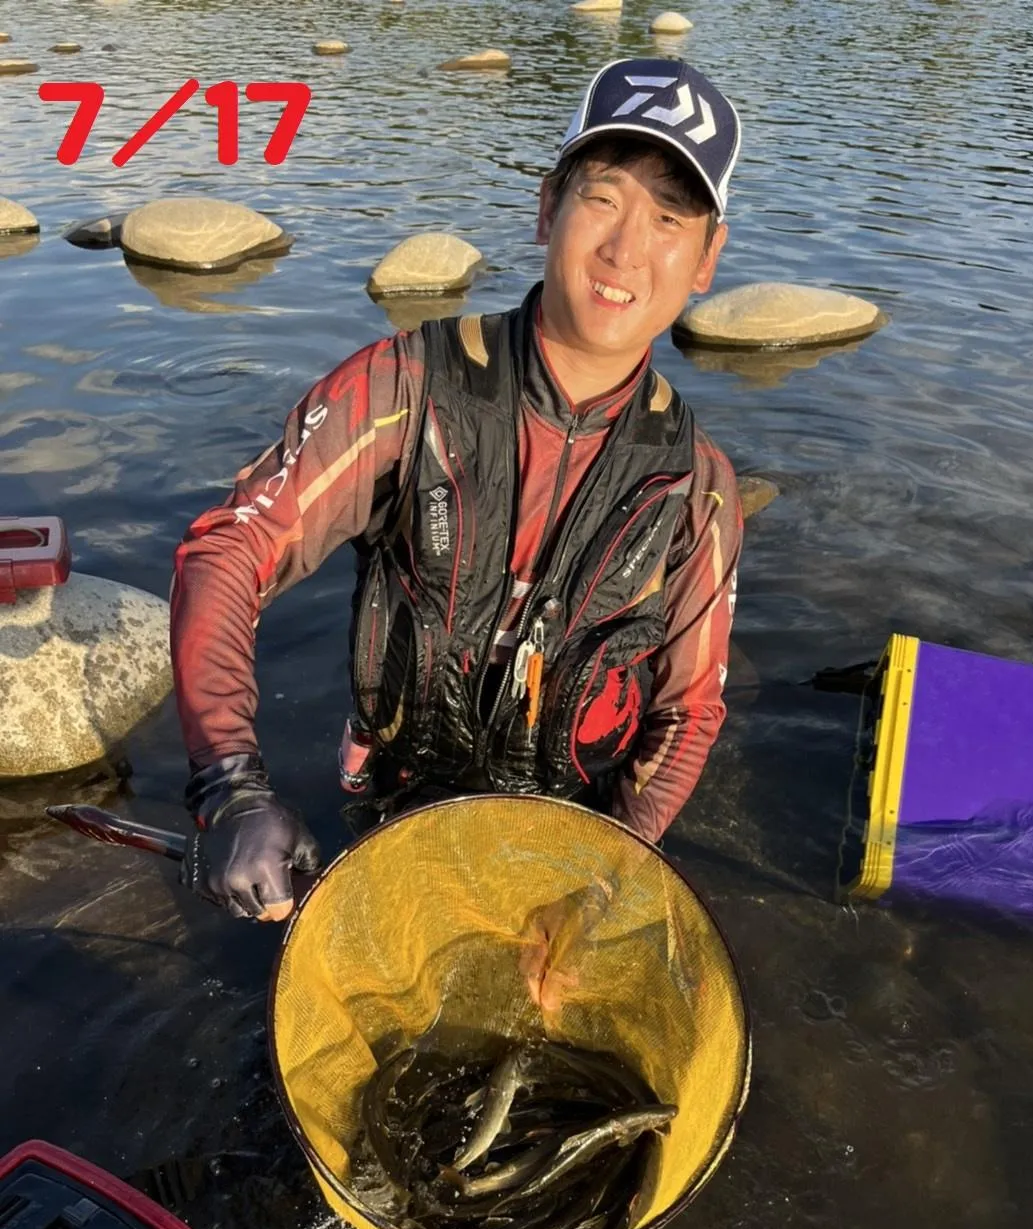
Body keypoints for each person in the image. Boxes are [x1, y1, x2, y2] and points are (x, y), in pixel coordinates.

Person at [171, 58, 745, 922]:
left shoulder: (699, 489)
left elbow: (689, 710)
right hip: (394, 822)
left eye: (669, 218)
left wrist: (608, 876)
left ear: (707, 259)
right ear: (547, 206)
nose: (627, 249)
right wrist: (234, 789)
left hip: (567, 851)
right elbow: (230, 550)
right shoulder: (403, 386)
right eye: (602, 199)